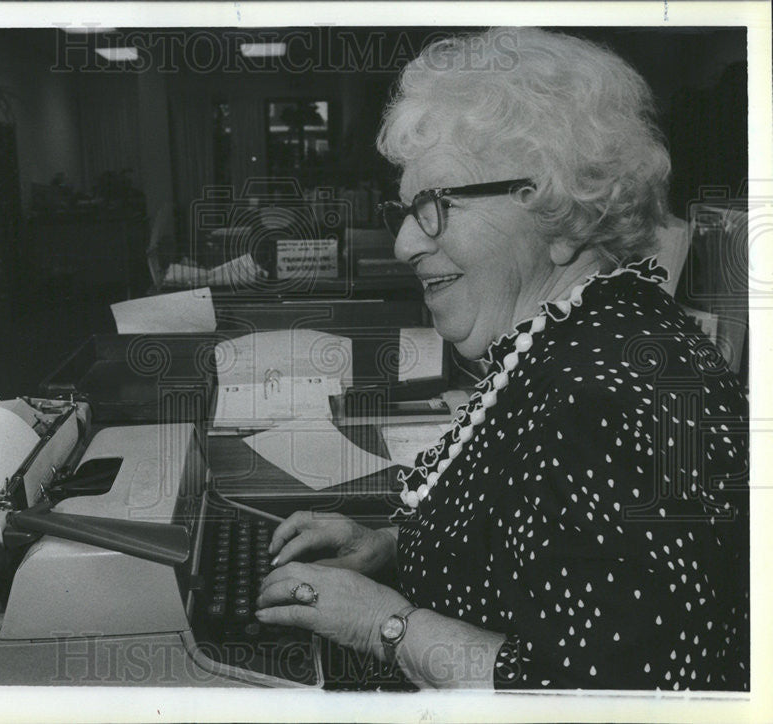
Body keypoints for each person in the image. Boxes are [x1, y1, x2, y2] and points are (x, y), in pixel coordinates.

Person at [254, 27, 749, 690]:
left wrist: (384, 624)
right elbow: (553, 548)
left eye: (436, 206)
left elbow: (595, 696)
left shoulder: (603, 396)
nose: (403, 242)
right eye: (405, 208)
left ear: (561, 217)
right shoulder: (589, 333)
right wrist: (392, 550)